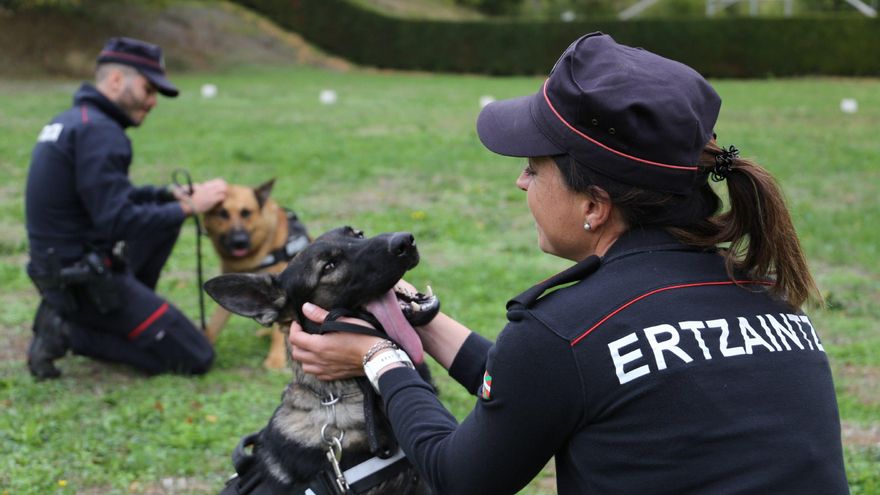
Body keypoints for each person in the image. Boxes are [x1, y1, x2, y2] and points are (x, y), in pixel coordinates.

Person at [287, 33, 849, 494]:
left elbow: (460, 478)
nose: (520, 180)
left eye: (534, 167)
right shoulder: (767, 297)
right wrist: (422, 321)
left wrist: (381, 357)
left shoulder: (568, 333)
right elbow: (553, 385)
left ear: (594, 206)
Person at [25, 37, 227, 380]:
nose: (152, 102)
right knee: (197, 356)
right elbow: (116, 220)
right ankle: (68, 331)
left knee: (163, 220)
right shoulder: (101, 133)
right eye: (149, 89)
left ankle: (111, 316)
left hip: (59, 271)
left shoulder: (76, 121)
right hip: (84, 282)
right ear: (117, 80)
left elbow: (108, 198)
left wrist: (169, 197)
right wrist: (190, 207)